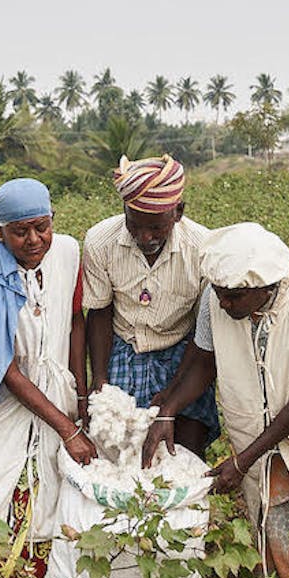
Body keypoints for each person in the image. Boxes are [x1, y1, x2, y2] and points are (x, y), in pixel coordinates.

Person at [144, 223, 289, 578]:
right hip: (264, 416)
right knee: (269, 500)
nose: (224, 303)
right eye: (219, 293)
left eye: (234, 297)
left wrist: (243, 460)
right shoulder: (217, 299)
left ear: (267, 287)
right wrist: (169, 410)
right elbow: (203, 361)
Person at [0, 179, 95, 564]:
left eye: (41, 227)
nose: (33, 240)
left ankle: (39, 564)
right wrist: (67, 428)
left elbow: (75, 321)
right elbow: (6, 371)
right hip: (1, 396)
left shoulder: (67, 252)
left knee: (53, 486)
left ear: (53, 219)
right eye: (20, 232)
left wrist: (80, 395)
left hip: (54, 386)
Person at [83, 155, 217, 454]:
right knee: (115, 445)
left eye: (156, 227)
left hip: (182, 349)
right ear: (124, 211)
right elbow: (100, 311)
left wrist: (172, 396)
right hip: (123, 345)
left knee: (183, 447)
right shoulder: (100, 241)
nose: (145, 237)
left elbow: (203, 332)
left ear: (178, 212)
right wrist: (100, 378)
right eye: (134, 225)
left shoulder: (202, 248)